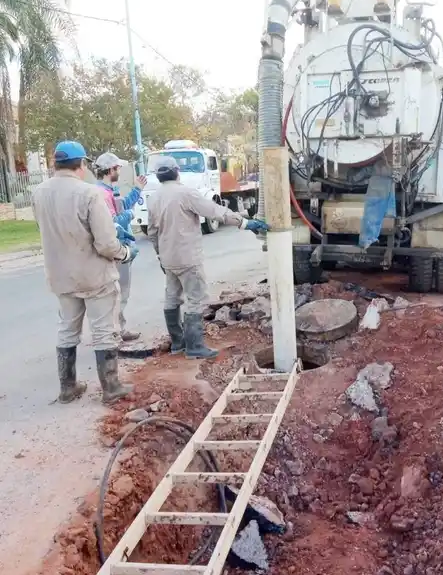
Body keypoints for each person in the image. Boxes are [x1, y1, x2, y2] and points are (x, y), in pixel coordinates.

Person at [32, 141, 137, 404]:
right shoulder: (89, 194)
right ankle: (110, 388)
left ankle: (68, 388)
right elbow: (105, 243)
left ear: (56, 163)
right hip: (94, 275)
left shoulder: (39, 193)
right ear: (81, 165)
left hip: (60, 275)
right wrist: (125, 253)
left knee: (67, 329)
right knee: (103, 331)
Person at [147, 155, 269, 359]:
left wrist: (160, 255)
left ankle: (178, 343)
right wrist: (244, 223)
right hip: (187, 258)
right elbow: (215, 211)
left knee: (172, 298)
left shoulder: (154, 198)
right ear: (177, 172)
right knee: (194, 299)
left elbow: (152, 232)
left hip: (168, 258)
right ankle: (194, 347)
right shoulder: (185, 193)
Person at [94, 152, 147, 342]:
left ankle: (118, 329)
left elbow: (122, 205)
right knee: (119, 293)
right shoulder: (101, 194)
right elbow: (112, 221)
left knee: (119, 293)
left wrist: (137, 190)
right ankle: (114, 333)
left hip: (119, 248)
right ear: (110, 170)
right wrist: (130, 216)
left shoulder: (108, 190)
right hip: (117, 249)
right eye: (117, 168)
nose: (119, 171)